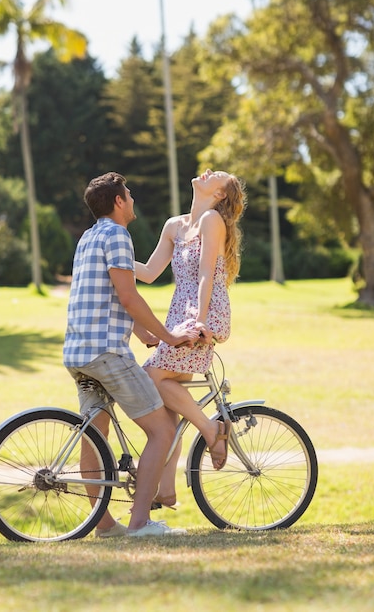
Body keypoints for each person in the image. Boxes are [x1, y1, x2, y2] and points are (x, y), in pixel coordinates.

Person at [63, 171, 199, 537]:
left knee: (96, 436)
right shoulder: (118, 235)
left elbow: (106, 296)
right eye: (129, 194)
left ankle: (105, 526)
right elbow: (129, 296)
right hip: (107, 353)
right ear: (119, 202)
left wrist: (142, 332)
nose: (133, 199)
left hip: (79, 351)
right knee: (163, 431)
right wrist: (170, 336)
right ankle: (140, 523)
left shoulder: (89, 238)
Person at [135, 168, 247, 508]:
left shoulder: (212, 220)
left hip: (203, 313)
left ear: (220, 195)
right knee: (168, 409)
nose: (208, 170)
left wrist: (198, 321)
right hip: (178, 316)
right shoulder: (174, 225)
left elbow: (204, 274)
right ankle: (165, 491)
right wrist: (113, 260)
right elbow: (151, 273)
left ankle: (211, 430)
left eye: (218, 175)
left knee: (151, 377)